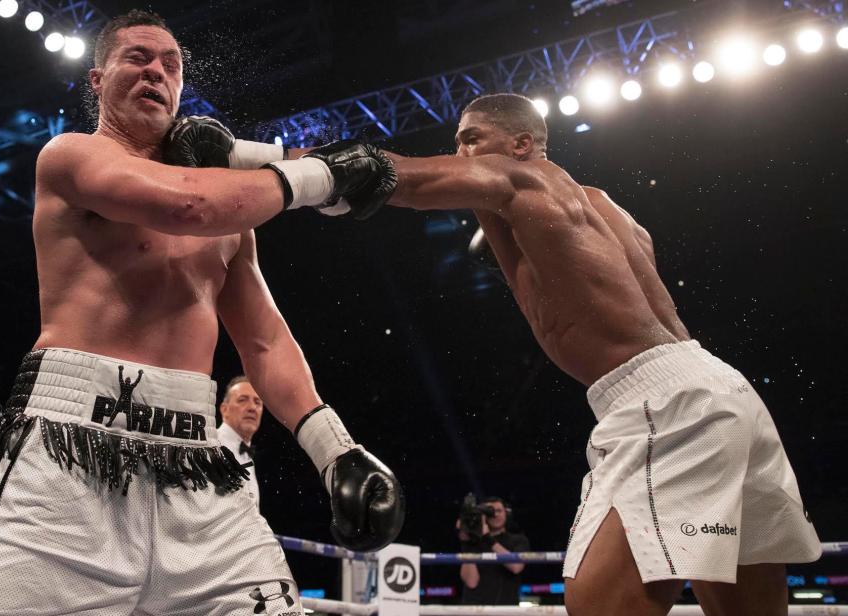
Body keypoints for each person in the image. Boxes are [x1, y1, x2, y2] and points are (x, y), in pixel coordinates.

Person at [0, 10, 403, 616]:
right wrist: (321, 174)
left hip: (199, 471)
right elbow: (186, 207)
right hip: (68, 462)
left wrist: (334, 449)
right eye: (139, 58)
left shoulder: (232, 213)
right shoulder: (72, 157)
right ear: (97, 81)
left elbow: (262, 342)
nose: (157, 71)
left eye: (172, 65)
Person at [324, 92, 821, 615]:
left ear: (522, 145)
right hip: (721, 390)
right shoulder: (605, 210)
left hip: (663, 403)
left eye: (472, 139)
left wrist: (268, 163)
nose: (461, 153)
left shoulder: (527, 177)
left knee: (598, 604)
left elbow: (393, 176)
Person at [457, 497, 531, 605]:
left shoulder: (518, 540)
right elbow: (471, 582)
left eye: (499, 511)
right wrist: (466, 543)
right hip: (476, 610)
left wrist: (488, 539)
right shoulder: (474, 543)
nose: (495, 515)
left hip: (505, 610)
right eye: (490, 512)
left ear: (507, 514)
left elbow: (516, 566)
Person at [217, 375, 264, 508]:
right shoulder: (211, 446)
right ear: (224, 410)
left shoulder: (247, 456)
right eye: (242, 400)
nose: (252, 407)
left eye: (257, 402)